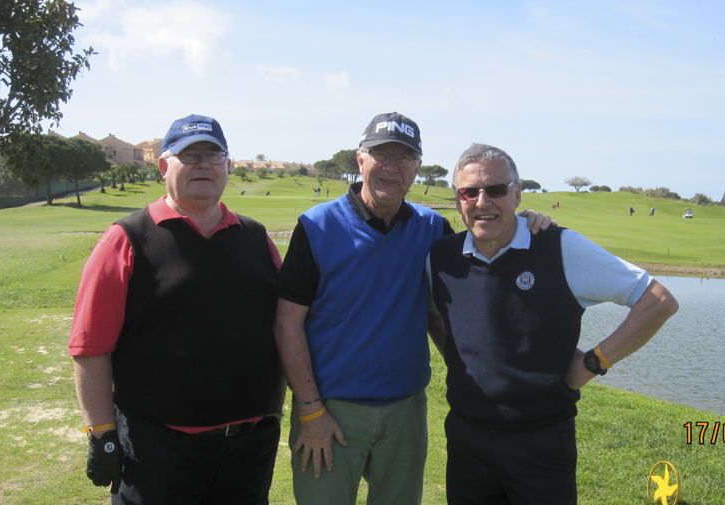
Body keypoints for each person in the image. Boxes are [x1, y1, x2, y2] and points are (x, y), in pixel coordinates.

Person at [275, 113, 550, 505]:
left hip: (406, 411)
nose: (392, 167)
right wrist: (310, 411)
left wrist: (524, 225)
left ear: (417, 168)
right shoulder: (317, 227)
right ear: (360, 160)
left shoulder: (432, 229)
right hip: (331, 411)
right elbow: (288, 322)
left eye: (404, 157)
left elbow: (477, 275)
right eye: (382, 155)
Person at [428, 144, 679, 505]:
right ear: (458, 200)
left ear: (517, 194)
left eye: (495, 189)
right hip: (467, 440)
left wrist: (594, 362)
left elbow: (657, 301)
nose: (482, 201)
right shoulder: (441, 257)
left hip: (540, 442)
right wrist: (460, 360)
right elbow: (435, 316)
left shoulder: (559, 247)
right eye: (469, 192)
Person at [69, 114, 285, 505]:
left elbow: (286, 328)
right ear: (163, 166)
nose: (203, 164)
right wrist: (101, 433)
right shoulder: (127, 239)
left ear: (227, 165)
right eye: (190, 155)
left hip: (249, 449)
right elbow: (90, 347)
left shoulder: (255, 238)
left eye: (213, 155)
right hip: (156, 451)